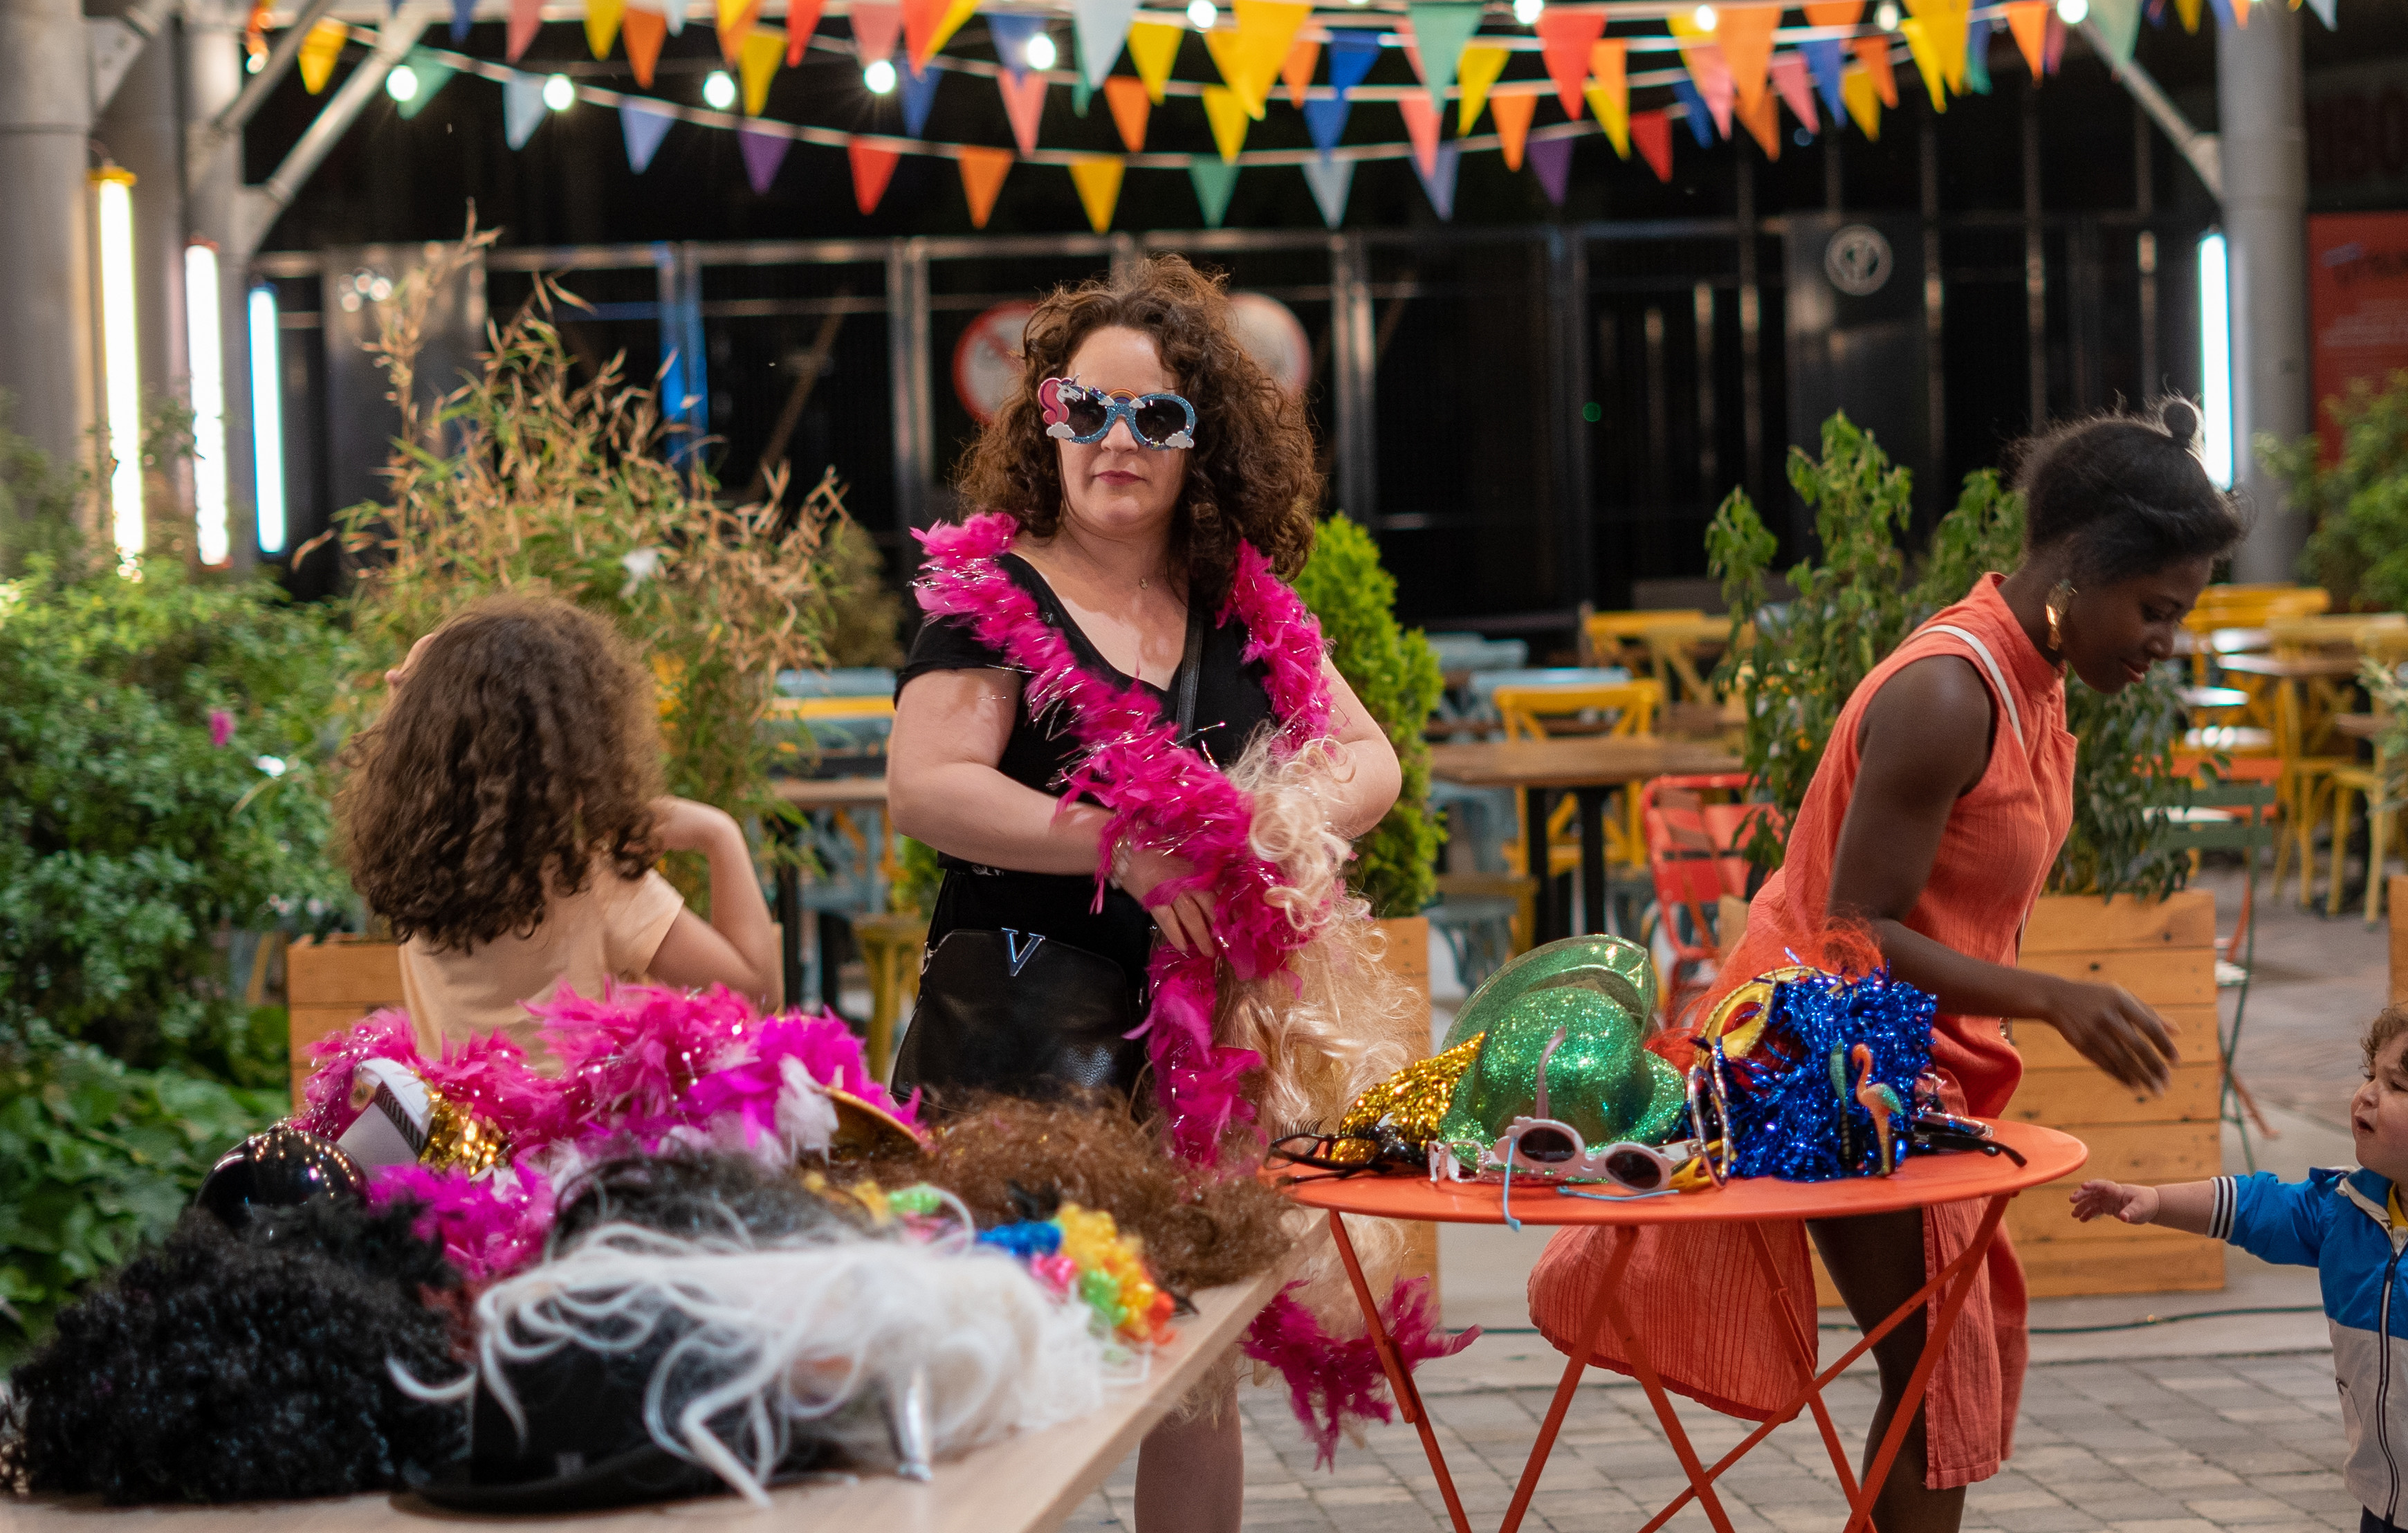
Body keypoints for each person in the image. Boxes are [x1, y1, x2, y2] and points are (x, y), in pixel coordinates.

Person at [1527, 398, 2245, 1532]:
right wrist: (2051, 997)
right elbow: (1855, 931)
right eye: (2156, 609)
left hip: (1898, 1047)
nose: (2167, 642)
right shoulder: (1948, 692)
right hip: (1821, 1047)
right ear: (2081, 561)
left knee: (1950, 1377)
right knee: (1939, 1385)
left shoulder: (2034, 676)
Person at [884, 255, 1402, 1533]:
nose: (1117, 440)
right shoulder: (993, 598)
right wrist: (1124, 844)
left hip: (1206, 1055)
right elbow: (928, 785)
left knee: (1196, 1379)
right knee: (997, 1355)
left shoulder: (1242, 608)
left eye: (1156, 416)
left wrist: (1250, 839)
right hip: (1018, 1044)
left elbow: (1370, 762)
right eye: (1087, 409)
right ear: (1044, 419)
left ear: (1201, 440)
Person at [2072, 1004, 2408, 1530]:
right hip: (2383, 1499)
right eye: (2372, 1075)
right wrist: (2151, 1200)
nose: (2366, 1095)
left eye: (2396, 1087)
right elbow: (2255, 1207)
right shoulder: (2346, 1210)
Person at [339, 598, 782, 1063]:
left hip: (456, 1134)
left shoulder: (416, 875)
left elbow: (427, 759)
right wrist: (720, 834)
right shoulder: (592, 885)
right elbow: (755, 1000)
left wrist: (419, 698)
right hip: (577, 1136)